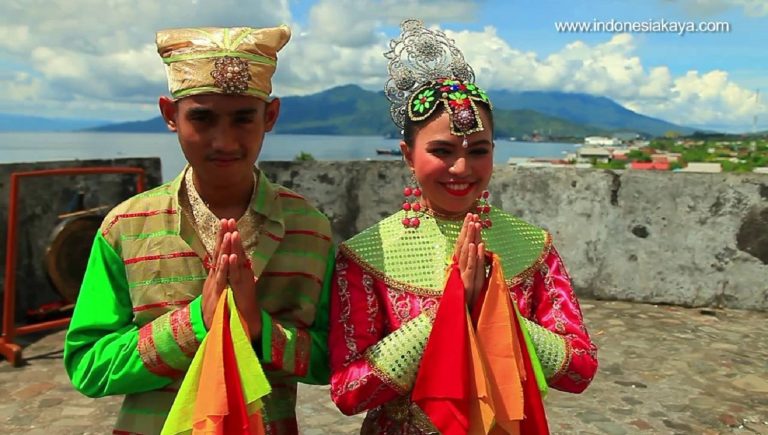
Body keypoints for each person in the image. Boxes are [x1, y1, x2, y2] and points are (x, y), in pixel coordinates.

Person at [329, 19, 598, 433]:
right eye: (442, 150)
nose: (461, 168)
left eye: (478, 151)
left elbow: (579, 369)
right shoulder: (368, 254)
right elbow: (349, 391)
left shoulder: (532, 246)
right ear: (407, 154)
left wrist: (493, 309)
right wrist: (449, 311)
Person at [64, 25, 334, 434]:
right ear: (170, 116)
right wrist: (195, 323)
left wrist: (259, 329)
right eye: (202, 119)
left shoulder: (309, 230)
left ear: (271, 116)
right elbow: (87, 364)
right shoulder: (125, 227)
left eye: (243, 119)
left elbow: (333, 357)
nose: (223, 142)